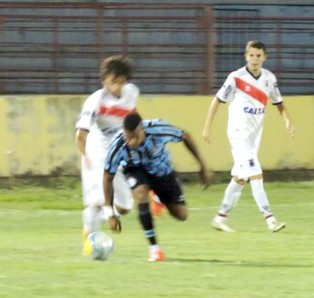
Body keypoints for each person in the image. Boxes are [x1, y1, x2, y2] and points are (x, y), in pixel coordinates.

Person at [202, 40, 295, 233]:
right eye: (251, 55)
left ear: (264, 57)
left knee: (240, 177)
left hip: (254, 136)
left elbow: (279, 103)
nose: (254, 59)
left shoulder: (269, 79)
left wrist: (287, 120)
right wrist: (207, 127)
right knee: (256, 173)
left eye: (258, 56)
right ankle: (270, 219)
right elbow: (217, 101)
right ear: (246, 57)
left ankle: (220, 217)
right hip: (238, 134)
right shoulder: (236, 78)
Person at [102, 112, 211, 261]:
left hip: (162, 172)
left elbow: (186, 136)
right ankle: (154, 249)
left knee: (181, 215)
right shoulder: (118, 145)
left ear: (142, 129)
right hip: (136, 170)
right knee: (140, 193)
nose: (131, 142)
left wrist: (203, 166)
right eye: (128, 137)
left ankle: (156, 196)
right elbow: (107, 177)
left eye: (134, 136)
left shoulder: (158, 129)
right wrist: (110, 213)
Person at [75, 55, 138, 254]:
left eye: (120, 82)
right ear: (105, 81)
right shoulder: (96, 100)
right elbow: (80, 134)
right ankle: (90, 241)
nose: (116, 86)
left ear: (126, 81)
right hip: (97, 150)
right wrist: (86, 158)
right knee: (97, 200)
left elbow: (132, 118)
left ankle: (94, 222)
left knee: (125, 206)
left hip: (118, 149)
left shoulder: (131, 93)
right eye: (112, 82)